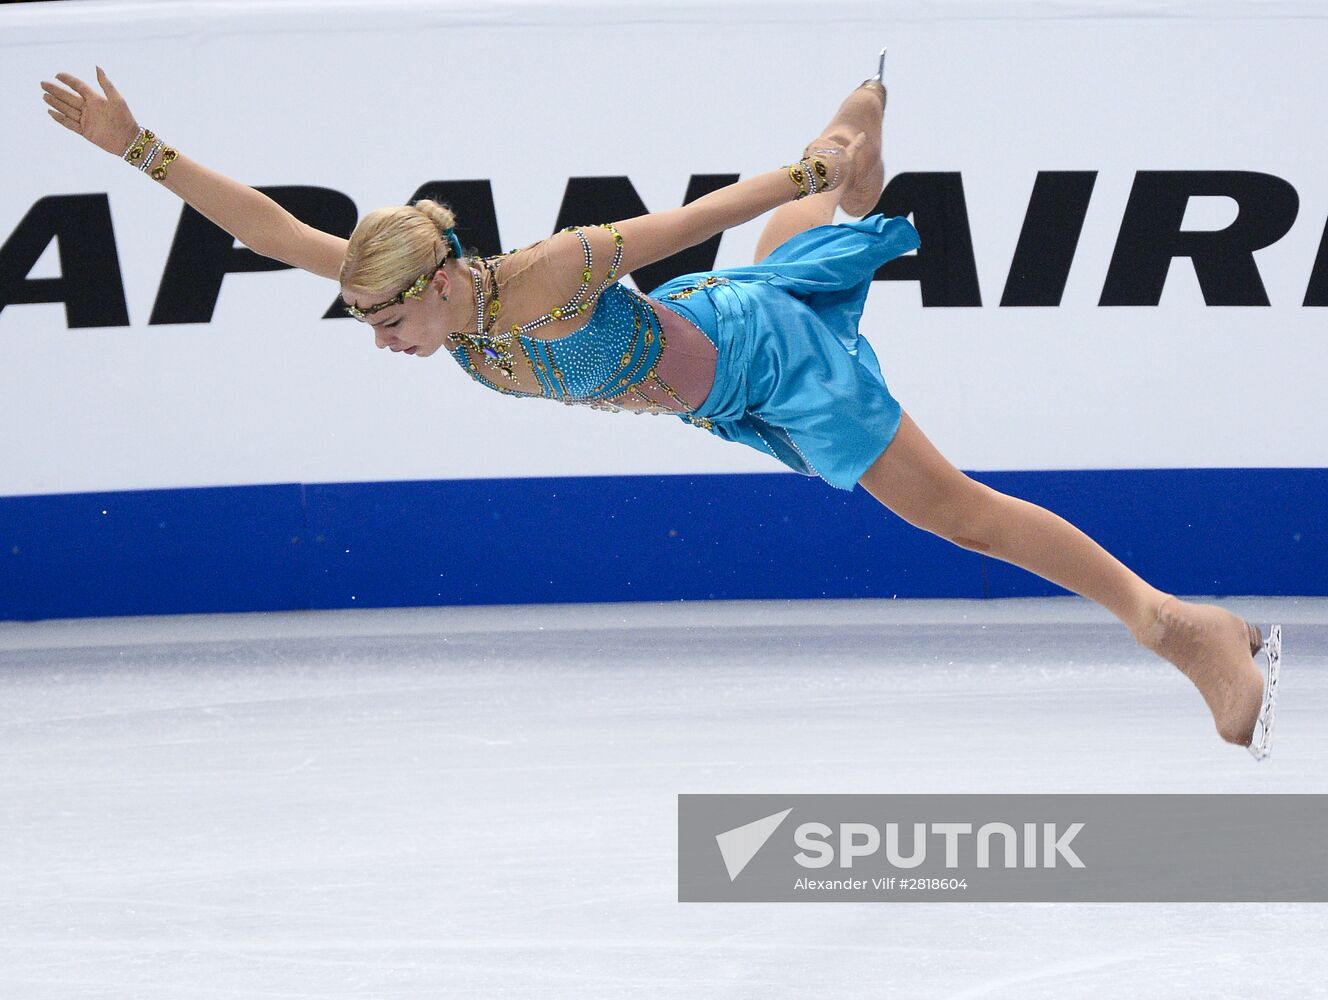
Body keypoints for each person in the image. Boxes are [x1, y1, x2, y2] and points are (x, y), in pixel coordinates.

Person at [39, 56, 1278, 758]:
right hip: (716, 355)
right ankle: (859, 118)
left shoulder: (543, 274)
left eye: (390, 325)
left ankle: (1173, 625)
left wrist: (786, 180)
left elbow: (679, 224)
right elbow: (270, 228)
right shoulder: (417, 284)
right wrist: (136, 148)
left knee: (951, 514)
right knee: (799, 233)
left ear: (440, 283)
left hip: (771, 365)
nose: (384, 344)